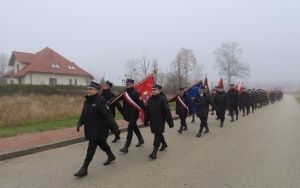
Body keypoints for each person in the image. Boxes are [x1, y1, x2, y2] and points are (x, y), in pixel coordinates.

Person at [74, 81, 118, 177]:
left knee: (91, 148)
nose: (88, 90)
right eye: (88, 89)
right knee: (102, 142)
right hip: (89, 128)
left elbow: (108, 115)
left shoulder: (100, 101)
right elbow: (83, 113)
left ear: (96, 90)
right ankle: (111, 155)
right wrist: (80, 123)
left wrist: (115, 129)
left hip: (97, 129)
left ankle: (84, 168)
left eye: (90, 89)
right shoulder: (87, 100)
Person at [144, 84, 174, 159]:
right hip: (153, 121)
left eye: (155, 90)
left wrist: (170, 122)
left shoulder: (162, 99)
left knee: (157, 135)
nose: (153, 91)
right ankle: (164, 144)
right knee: (157, 133)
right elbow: (147, 111)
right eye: (152, 90)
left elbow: (167, 111)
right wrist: (146, 120)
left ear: (159, 91)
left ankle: (154, 152)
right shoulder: (150, 99)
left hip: (160, 121)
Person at [117, 79, 146, 153]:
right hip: (127, 114)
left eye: (128, 84)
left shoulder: (136, 93)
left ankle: (126, 146)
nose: (126, 86)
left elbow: (141, 103)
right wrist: (110, 101)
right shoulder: (125, 93)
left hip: (134, 115)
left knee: (130, 129)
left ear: (132, 85)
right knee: (134, 127)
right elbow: (117, 98)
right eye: (126, 84)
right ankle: (141, 139)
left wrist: (147, 111)